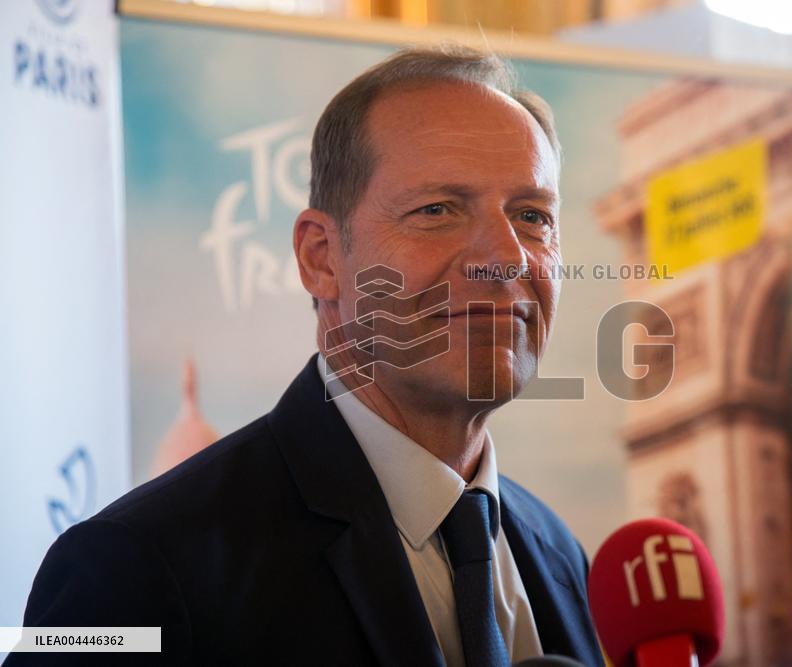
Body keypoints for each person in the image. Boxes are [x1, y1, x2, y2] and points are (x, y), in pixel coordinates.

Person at [7, 46, 603, 666]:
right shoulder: (129, 566)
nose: (505, 257)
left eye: (533, 216)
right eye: (437, 211)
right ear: (321, 257)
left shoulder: (558, 552)